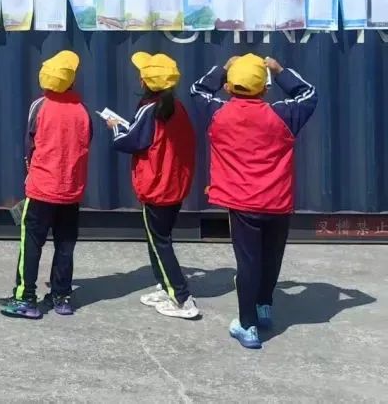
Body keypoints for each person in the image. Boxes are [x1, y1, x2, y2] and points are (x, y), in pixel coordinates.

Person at [191, 54, 317, 349]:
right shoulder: (282, 115)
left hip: (243, 204)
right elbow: (309, 93)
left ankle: (247, 326)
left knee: (248, 264)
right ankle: (264, 306)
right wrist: (280, 70)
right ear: (265, 88)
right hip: (277, 201)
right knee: (271, 257)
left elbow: (197, 89)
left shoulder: (218, 113)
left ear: (229, 87)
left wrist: (224, 67)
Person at [0, 50, 92, 320]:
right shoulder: (82, 111)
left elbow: (31, 143)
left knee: (31, 243)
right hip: (71, 191)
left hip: (41, 188)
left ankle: (25, 297)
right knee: (65, 244)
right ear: (71, 80)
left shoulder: (39, 106)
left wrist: (32, 172)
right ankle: (62, 297)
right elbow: (87, 143)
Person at [108, 52, 198, 320]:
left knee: (160, 243)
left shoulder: (150, 110)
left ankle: (182, 298)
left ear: (145, 82)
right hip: (174, 184)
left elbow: (129, 142)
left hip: (156, 186)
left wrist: (115, 127)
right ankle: (165, 286)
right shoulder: (176, 107)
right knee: (159, 238)